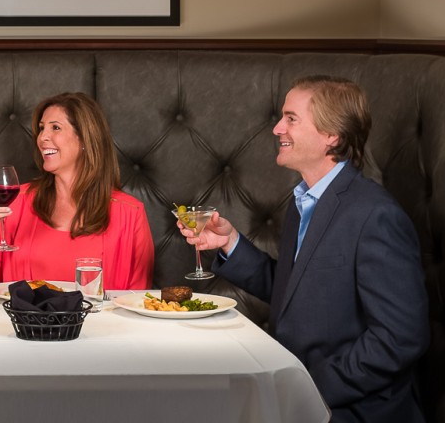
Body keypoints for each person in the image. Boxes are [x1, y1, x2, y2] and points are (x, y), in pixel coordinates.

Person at [180, 76, 428, 422]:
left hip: (351, 409)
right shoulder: (304, 202)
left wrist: (308, 386)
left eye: (291, 118)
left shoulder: (376, 215)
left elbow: (399, 339)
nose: (277, 128)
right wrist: (230, 242)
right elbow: (294, 291)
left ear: (332, 135)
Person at [0, 92, 154, 290]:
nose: (42, 138)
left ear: (84, 139)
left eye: (55, 127)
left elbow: (136, 298)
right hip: (23, 320)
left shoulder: (130, 213)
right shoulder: (16, 201)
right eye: (41, 129)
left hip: (98, 321)